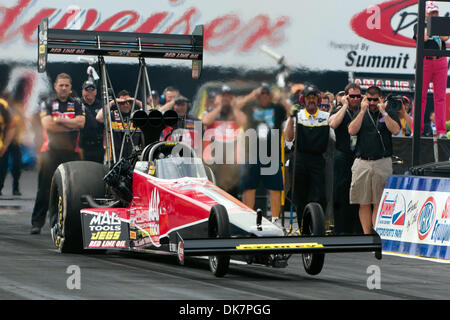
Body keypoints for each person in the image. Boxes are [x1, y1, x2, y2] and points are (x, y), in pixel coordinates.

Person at [30, 73, 85, 234]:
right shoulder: (48, 103)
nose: (63, 88)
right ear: (55, 86)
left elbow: (80, 123)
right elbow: (48, 126)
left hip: (70, 153)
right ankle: (37, 223)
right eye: (61, 85)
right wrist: (70, 123)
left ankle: (59, 223)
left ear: (70, 87)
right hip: (50, 152)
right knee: (44, 188)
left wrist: (59, 120)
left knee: (69, 190)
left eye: (67, 85)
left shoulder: (76, 103)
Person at [348, 86, 400, 234]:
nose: (372, 103)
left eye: (375, 100)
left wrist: (383, 111)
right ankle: (366, 235)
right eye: (369, 99)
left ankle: (377, 235)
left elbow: (396, 130)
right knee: (363, 202)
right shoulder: (361, 111)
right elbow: (352, 130)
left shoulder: (387, 112)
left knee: (378, 201)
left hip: (381, 161)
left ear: (380, 99)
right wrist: (363, 110)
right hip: (363, 161)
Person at [239, 83, 290, 227]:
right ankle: (249, 218)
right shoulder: (250, 107)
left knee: (275, 188)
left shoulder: (277, 108)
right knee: (249, 187)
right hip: (252, 153)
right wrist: (251, 94)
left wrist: (279, 98)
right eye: (261, 94)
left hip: (272, 153)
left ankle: (275, 220)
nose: (264, 96)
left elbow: (291, 112)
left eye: (267, 94)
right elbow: (236, 107)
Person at [284, 84, 330, 231]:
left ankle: (316, 227)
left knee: (319, 196)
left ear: (318, 100)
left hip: (317, 159)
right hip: (299, 159)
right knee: (299, 196)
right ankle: (303, 228)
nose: (311, 100)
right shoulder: (298, 116)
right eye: (308, 98)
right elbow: (289, 139)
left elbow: (336, 136)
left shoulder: (326, 117)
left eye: (314, 98)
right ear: (303, 100)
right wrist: (291, 118)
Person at [328, 83, 363, 235]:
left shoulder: (364, 110)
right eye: (352, 96)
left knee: (358, 195)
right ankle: (341, 230)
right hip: (342, 155)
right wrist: (344, 106)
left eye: (358, 96)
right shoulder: (339, 110)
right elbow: (333, 124)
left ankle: (358, 230)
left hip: (359, 156)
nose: (355, 99)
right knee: (341, 194)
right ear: (347, 97)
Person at [202, 85, 246, 197]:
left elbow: (243, 122)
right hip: (214, 156)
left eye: (229, 96)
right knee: (214, 186)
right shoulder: (211, 111)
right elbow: (206, 120)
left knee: (231, 187)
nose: (226, 99)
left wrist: (234, 107)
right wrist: (219, 107)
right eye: (223, 96)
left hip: (231, 158)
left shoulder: (235, 113)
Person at [413, 1, 449, 139]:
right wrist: (429, 26)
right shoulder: (418, 25)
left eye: (436, 12)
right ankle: (417, 130)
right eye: (431, 12)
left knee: (440, 98)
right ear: (425, 13)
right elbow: (422, 38)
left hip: (440, 61)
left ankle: (441, 131)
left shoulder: (441, 24)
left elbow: (445, 37)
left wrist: (436, 27)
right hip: (425, 62)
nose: (434, 14)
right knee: (420, 97)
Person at [96, 90, 142, 162]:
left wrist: (137, 101)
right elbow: (99, 117)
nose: (126, 105)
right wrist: (112, 103)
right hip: (114, 159)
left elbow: (151, 114)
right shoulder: (112, 115)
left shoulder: (137, 115)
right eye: (122, 103)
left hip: (133, 159)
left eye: (128, 102)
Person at [79, 80, 104, 163]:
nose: (90, 92)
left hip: (98, 146)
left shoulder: (102, 105)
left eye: (92, 89)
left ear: (96, 91)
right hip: (82, 146)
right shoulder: (77, 104)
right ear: (82, 91)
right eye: (87, 90)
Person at [0, 95, 17, 196]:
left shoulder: (3, 105)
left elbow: (12, 126)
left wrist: (5, 146)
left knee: (3, 169)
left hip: (1, 146)